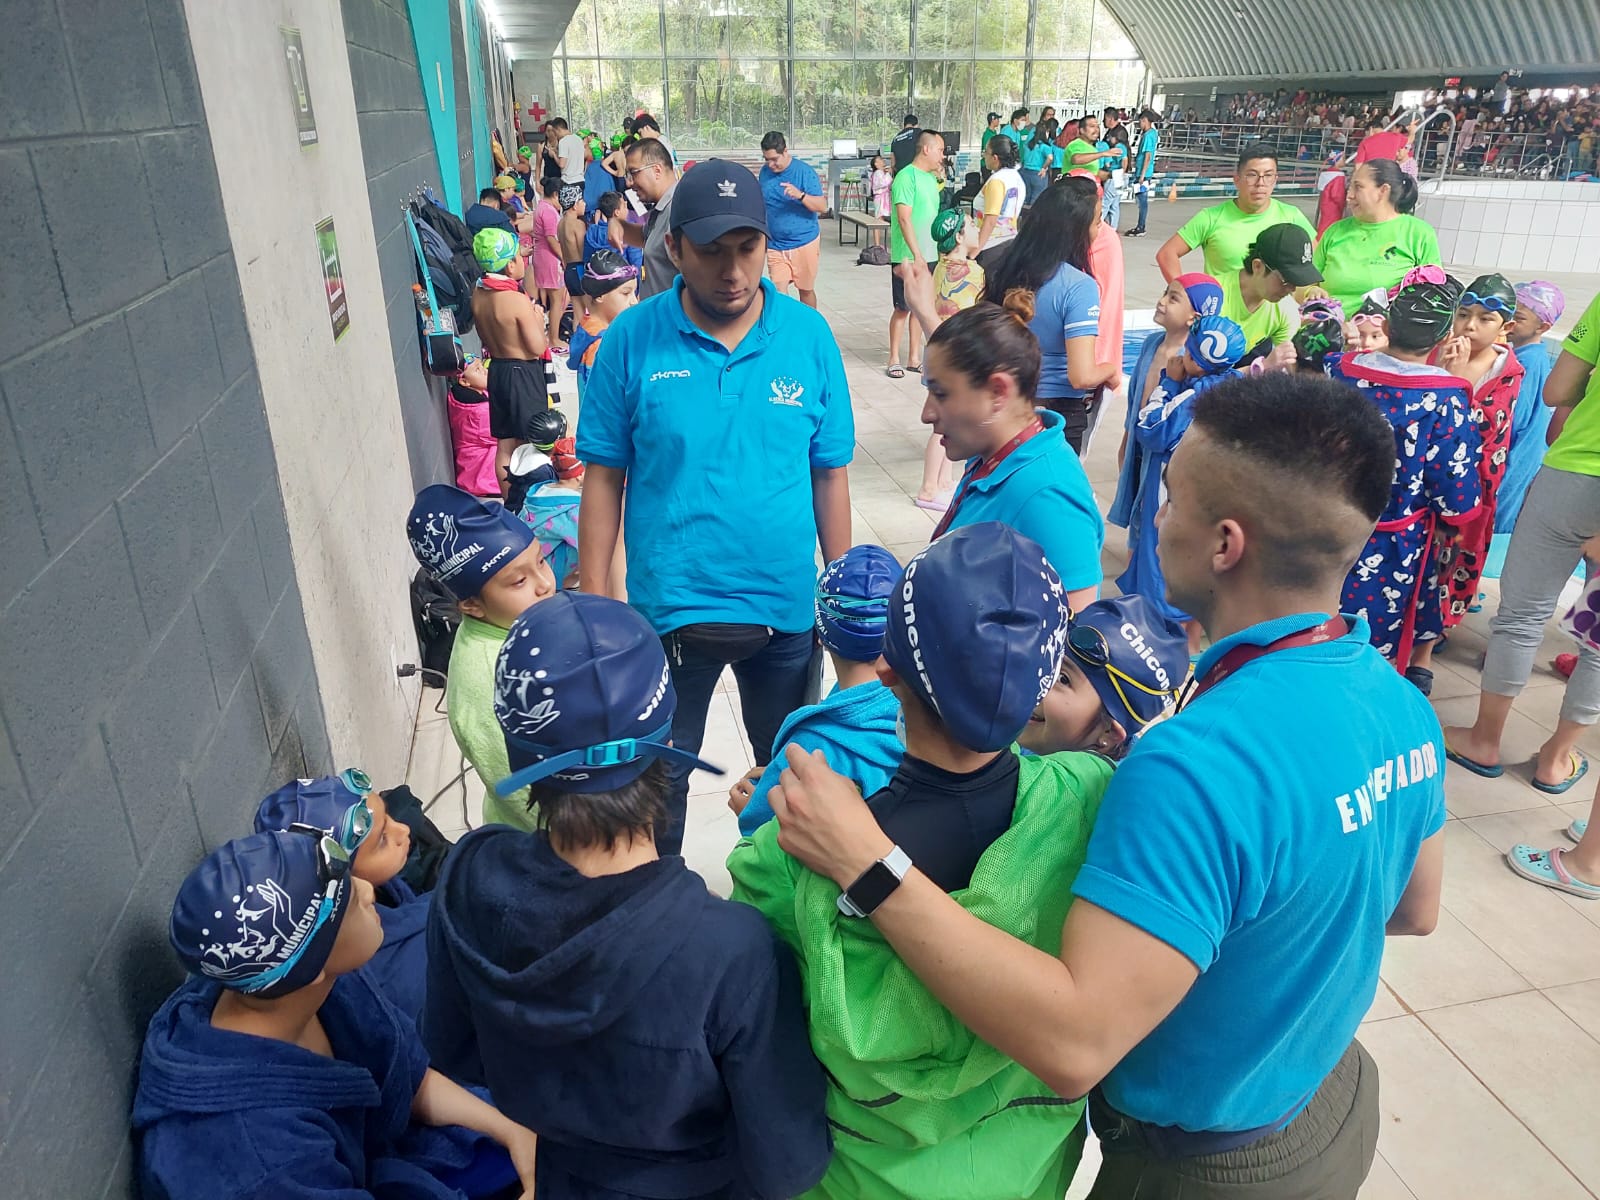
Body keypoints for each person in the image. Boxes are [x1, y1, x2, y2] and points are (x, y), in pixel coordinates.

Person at [759, 372, 1447, 1200]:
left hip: (1204, 1166)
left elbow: (1073, 1046)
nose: (1155, 516)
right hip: (1331, 1102)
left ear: (1225, 544)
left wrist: (867, 860)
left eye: (1171, 498)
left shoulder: (1196, 766)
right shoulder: (1400, 703)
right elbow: (1413, 909)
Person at [729, 523, 1111, 1200]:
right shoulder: (1093, 802)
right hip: (1027, 1172)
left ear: (886, 675)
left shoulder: (782, 862)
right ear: (1041, 686)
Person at [423, 592, 831, 1200]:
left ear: (518, 749)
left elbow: (452, 1053)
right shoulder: (729, 950)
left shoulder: (466, 877)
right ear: (668, 741)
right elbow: (788, 1165)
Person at [575, 158, 855, 856]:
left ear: (767, 244)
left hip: (784, 613)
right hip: (670, 614)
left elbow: (829, 474)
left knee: (791, 783)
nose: (733, 271)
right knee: (654, 789)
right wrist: (598, 603)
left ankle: (781, 913)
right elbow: (603, 479)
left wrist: (845, 592)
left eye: (748, 249)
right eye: (711, 252)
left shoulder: (808, 339)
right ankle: (661, 908)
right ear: (674, 249)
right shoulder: (633, 342)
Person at [133, 829, 539, 1200]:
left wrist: (509, 1128)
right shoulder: (258, 1162)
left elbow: (404, 1075)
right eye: (346, 903)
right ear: (311, 966)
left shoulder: (307, 987)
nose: (365, 890)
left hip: (381, 1159)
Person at [1328, 275, 1481, 675]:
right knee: (1375, 626)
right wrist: (1454, 519)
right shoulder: (1445, 397)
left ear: (1388, 327)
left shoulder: (1342, 372)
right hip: (1396, 539)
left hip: (1324, 520)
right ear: (1444, 337)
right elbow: (1454, 483)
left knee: (1319, 610)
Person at [922, 302, 1104, 613]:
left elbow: (1072, 646)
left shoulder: (1047, 498)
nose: (926, 414)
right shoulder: (996, 457)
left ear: (997, 392)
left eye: (940, 393)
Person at [407, 484, 557, 829]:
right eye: (519, 580)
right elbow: (520, 791)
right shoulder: (487, 681)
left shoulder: (521, 623)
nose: (545, 584)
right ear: (471, 605)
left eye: (541, 562)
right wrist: (589, 842)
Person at [728, 545, 903, 837]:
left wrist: (749, 809)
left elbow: (764, 837)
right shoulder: (927, 715)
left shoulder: (808, 748)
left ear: (821, 635)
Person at [252, 772, 428, 1022]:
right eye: (382, 840)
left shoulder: (383, 889)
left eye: (389, 818)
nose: (403, 830)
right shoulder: (374, 969)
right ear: (340, 875)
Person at [1118, 314, 1248, 637]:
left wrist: (1170, 381)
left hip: (1172, 487)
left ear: (1196, 359)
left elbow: (1150, 427)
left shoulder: (1192, 395)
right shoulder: (1234, 387)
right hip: (1210, 489)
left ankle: (1156, 637)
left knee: (1161, 554)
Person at [1428, 274, 1525, 667]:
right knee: (1430, 549)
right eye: (1464, 314)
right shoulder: (1443, 351)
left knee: (1462, 553)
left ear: (1507, 327)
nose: (1469, 325)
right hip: (1435, 477)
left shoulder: (1508, 370)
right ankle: (1417, 612)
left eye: (1485, 318)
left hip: (1476, 482)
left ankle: (1443, 622)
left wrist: (1457, 383)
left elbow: (1489, 424)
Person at [980, 179, 1118, 452]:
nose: (1100, 229)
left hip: (1000, 407)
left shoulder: (999, 266)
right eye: (1097, 222)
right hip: (1056, 415)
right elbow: (1081, 375)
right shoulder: (1079, 287)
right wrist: (1111, 370)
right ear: (1075, 232)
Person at [1018, 594, 1189, 760]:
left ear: (1109, 733)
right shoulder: (1021, 737)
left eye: (1063, 679)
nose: (1036, 677)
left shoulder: (1117, 787)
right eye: (1045, 659)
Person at [1110, 272, 1220, 505]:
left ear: (1194, 317)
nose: (1161, 301)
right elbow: (1135, 398)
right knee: (1136, 516)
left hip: (1163, 453)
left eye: (1173, 298)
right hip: (1138, 439)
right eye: (1164, 293)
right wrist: (1128, 436)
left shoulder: (1191, 364)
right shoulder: (1151, 343)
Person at [1155, 144, 1317, 282]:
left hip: (1272, 316)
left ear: (1275, 180)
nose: (1260, 183)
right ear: (1237, 180)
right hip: (1223, 315)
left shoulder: (1292, 216)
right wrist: (1188, 294)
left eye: (1268, 176)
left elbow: (1318, 258)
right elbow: (1167, 254)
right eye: (1252, 175)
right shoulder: (1211, 218)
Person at [470, 228, 550, 492]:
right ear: (510, 264)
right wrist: (538, 319)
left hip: (499, 371)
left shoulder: (479, 294)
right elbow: (537, 346)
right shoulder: (515, 300)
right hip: (523, 374)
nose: (523, 260)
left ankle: (510, 503)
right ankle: (531, 500)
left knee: (504, 444)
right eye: (519, 256)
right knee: (533, 442)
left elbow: (484, 336)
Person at [1310, 158, 1441, 315]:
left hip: (1384, 334)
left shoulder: (1419, 233)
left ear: (1383, 191)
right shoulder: (1335, 231)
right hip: (1328, 331)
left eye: (1358, 187)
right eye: (1349, 188)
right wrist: (1311, 292)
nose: (1348, 196)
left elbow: (1433, 293)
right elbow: (1308, 282)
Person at [1494, 281, 1567, 550]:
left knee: (1497, 520)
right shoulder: (1529, 356)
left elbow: (1512, 419)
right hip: (1523, 457)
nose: (1510, 321)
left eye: (1519, 317)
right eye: (1510, 313)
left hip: (1514, 459)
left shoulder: (1527, 363)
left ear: (1543, 327)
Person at [1222, 223, 1323, 356]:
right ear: (1257, 266)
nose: (1292, 289)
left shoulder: (1285, 309)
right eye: (1286, 280)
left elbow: (1290, 365)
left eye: (1296, 282)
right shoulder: (1210, 298)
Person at [888, 129, 947, 358]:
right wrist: (916, 255)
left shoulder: (930, 178)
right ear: (927, 149)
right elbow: (904, 218)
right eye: (940, 150)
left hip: (929, 252)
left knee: (921, 309)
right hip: (909, 255)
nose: (942, 156)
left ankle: (913, 357)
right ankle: (893, 357)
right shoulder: (906, 176)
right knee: (902, 308)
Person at [758, 131, 826, 308]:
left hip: (804, 241)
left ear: (785, 151)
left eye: (774, 159)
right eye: (766, 159)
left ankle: (810, 326)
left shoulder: (804, 172)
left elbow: (822, 206)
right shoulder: (764, 173)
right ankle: (786, 329)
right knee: (779, 293)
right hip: (776, 244)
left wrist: (801, 195)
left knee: (805, 289)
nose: (770, 164)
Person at [566, 247, 638, 396]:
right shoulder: (601, 344)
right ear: (599, 295)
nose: (634, 302)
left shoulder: (587, 330)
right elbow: (606, 399)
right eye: (626, 293)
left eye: (634, 293)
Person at [617, 137, 677, 299]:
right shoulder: (661, 208)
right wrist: (617, 225)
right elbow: (646, 237)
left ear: (657, 170)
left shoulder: (678, 211)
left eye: (634, 173)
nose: (629, 183)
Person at [447, 353, 497, 497]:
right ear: (464, 382)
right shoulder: (479, 414)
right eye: (477, 369)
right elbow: (505, 434)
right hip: (480, 479)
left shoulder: (461, 396)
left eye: (482, 366)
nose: (485, 371)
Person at [972, 133, 1024, 270]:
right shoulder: (1016, 177)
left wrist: (974, 252)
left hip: (990, 247)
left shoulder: (997, 181)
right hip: (1009, 241)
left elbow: (990, 220)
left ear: (995, 158)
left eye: (986, 152)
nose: (984, 156)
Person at [531, 177, 568, 355]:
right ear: (555, 194)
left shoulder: (542, 207)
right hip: (549, 258)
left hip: (544, 256)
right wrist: (563, 257)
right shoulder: (549, 212)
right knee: (557, 300)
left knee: (558, 299)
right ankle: (554, 338)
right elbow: (552, 239)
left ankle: (553, 335)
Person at [1125, 109, 1160, 238]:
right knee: (1140, 200)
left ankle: (1141, 226)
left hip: (1143, 174)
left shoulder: (1148, 136)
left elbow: (1147, 156)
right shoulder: (1152, 133)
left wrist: (1142, 175)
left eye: (1140, 121)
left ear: (1145, 120)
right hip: (1143, 172)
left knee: (1142, 201)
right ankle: (1140, 225)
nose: (1140, 124)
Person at [541, 117, 587, 211]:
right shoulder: (578, 139)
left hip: (568, 181)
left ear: (558, 129)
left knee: (569, 212)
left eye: (554, 132)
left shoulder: (564, 141)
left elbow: (562, 164)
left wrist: (554, 155)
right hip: (580, 180)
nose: (555, 135)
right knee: (578, 210)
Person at [557, 194, 589, 319]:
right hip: (579, 269)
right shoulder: (577, 224)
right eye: (582, 201)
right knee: (591, 311)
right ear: (574, 205)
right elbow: (583, 250)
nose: (585, 204)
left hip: (569, 270)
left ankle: (575, 338)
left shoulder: (560, 224)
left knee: (578, 313)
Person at [1021, 117, 1061, 205]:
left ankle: (1024, 217)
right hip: (1038, 174)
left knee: (1025, 199)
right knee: (1036, 200)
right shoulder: (1045, 146)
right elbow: (1050, 158)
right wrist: (1044, 168)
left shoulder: (1028, 145)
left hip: (1025, 172)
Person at [1316, 151, 1348, 235]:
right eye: (1343, 158)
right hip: (1334, 207)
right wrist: (1344, 204)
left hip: (1325, 204)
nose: (1345, 160)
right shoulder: (1338, 176)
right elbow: (1337, 195)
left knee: (1324, 223)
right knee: (1331, 225)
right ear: (1337, 160)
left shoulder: (1327, 173)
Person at [868, 153, 893, 218]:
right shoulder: (878, 173)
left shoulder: (881, 172)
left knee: (881, 218)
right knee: (880, 219)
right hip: (880, 199)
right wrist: (888, 173)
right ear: (876, 164)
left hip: (883, 198)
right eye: (880, 159)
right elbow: (885, 183)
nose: (883, 160)